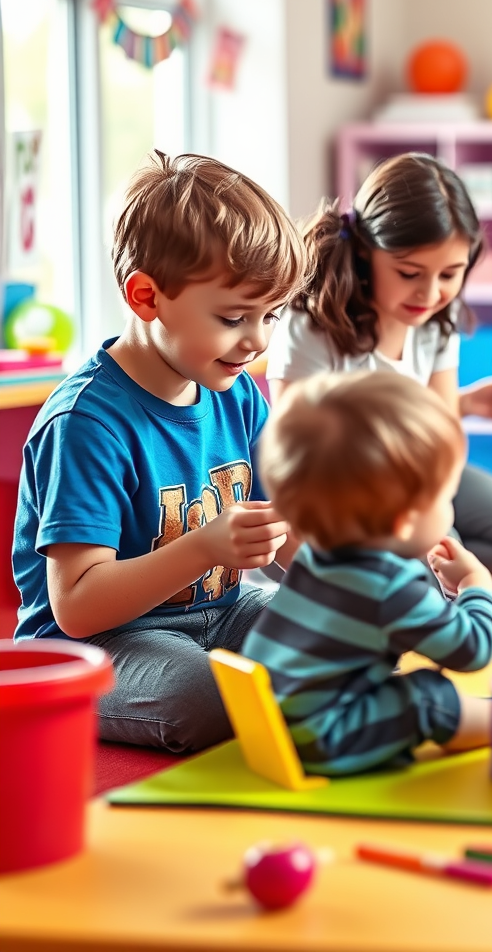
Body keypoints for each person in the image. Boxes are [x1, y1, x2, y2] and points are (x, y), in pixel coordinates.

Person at [12, 151, 305, 752]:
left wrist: (360, 585)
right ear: (146, 297)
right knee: (203, 697)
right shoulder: (88, 423)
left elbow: (287, 531)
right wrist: (206, 545)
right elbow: (77, 606)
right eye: (232, 317)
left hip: (220, 612)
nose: (256, 340)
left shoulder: (236, 392)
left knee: (337, 635)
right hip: (99, 643)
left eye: (271, 316)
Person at [266, 152, 492, 589]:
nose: (430, 293)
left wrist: (438, 500)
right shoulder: (314, 323)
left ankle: (422, 583)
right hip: (352, 497)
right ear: (367, 253)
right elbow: (301, 460)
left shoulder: (434, 318)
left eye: (450, 274)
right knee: (437, 570)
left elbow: (442, 431)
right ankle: (410, 587)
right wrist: (426, 526)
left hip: (424, 476)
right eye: (409, 273)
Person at [242, 372, 492, 776]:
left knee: (408, 686)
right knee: (430, 695)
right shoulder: (389, 585)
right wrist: (477, 586)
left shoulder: (315, 558)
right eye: (446, 497)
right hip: (326, 738)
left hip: (276, 726)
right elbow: (472, 651)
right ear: (404, 520)